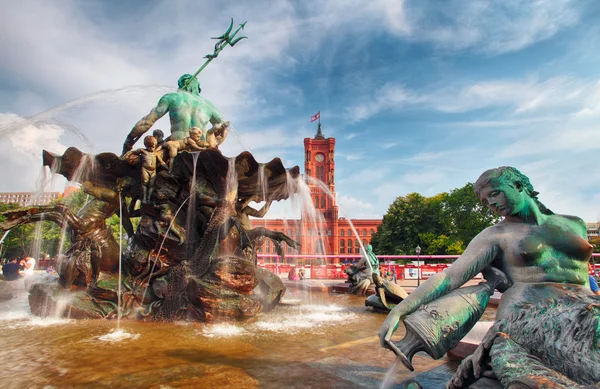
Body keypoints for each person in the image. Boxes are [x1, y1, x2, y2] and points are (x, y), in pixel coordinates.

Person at [378, 166, 599, 387]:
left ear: (518, 186)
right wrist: (399, 310)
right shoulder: (495, 235)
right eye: (485, 201)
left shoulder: (574, 224)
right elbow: (450, 276)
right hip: (528, 320)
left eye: (495, 193)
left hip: (583, 316)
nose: (491, 203)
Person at [122, 74, 229, 154]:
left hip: (178, 148)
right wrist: (215, 143)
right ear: (197, 87)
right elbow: (225, 125)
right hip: (202, 150)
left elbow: (146, 122)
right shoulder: (208, 105)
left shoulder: (172, 97)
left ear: (181, 85)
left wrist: (129, 140)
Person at [123, 135, 168, 203]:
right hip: (145, 169)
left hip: (153, 171)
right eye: (149, 146)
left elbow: (161, 162)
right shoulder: (143, 151)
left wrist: (168, 169)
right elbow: (133, 152)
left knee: (152, 184)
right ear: (146, 146)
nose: (151, 148)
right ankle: (144, 198)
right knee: (145, 183)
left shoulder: (155, 154)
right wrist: (126, 156)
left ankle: (149, 198)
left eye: (153, 146)